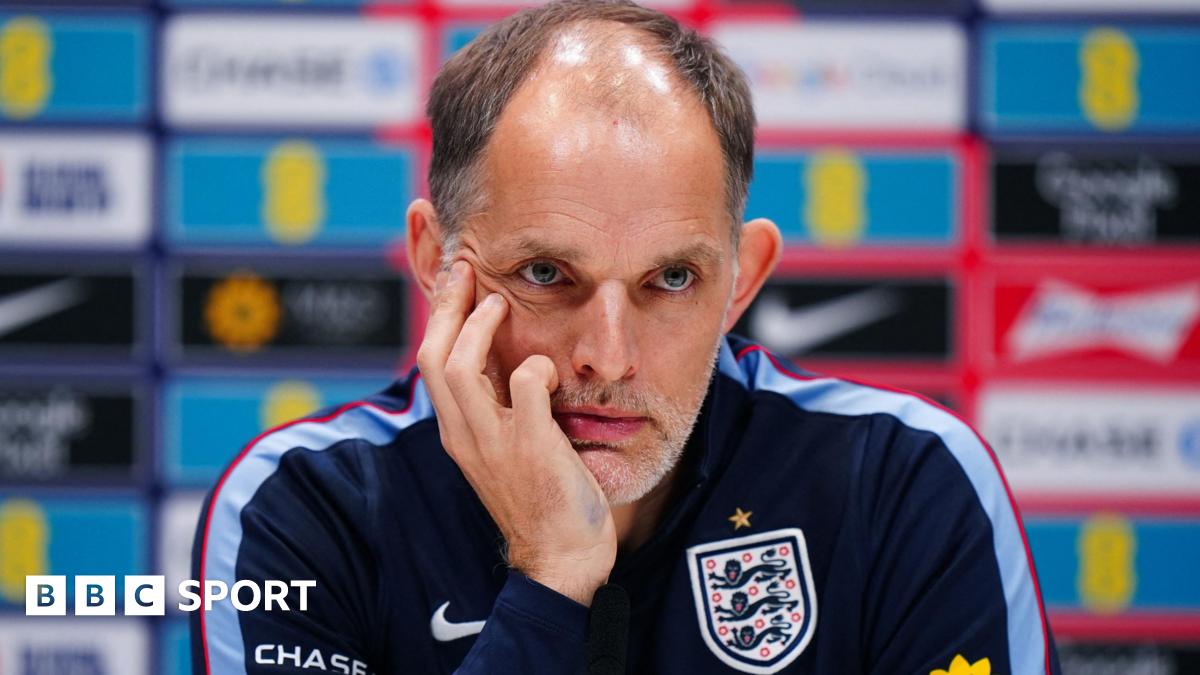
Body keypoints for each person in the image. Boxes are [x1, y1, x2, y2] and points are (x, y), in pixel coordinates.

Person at [191, 1, 1061, 673]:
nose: (607, 355)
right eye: (546, 274)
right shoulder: (299, 510)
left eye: (671, 279)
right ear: (435, 259)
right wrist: (551, 575)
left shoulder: (904, 481)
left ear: (741, 280)